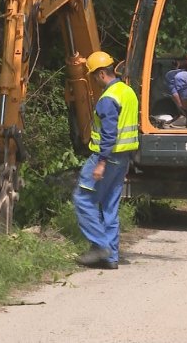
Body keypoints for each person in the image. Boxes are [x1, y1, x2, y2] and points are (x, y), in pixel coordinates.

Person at [73, 51, 139, 269]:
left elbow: (109, 133)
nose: (93, 81)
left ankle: (101, 246)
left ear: (101, 74)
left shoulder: (108, 99)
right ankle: (111, 259)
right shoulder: (127, 92)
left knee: (83, 198)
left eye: (93, 76)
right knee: (109, 206)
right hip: (123, 157)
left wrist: (101, 162)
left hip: (107, 158)